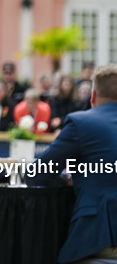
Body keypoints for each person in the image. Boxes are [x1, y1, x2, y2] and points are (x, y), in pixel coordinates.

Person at [27, 64, 117, 264]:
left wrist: (67, 177)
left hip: (100, 241)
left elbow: (36, 175)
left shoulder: (82, 123)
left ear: (92, 96)